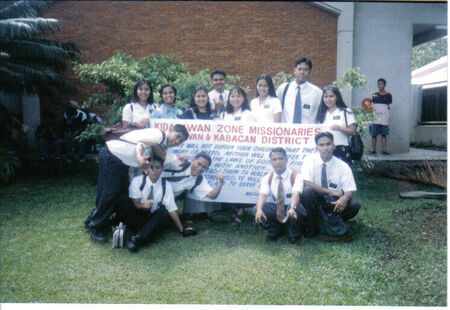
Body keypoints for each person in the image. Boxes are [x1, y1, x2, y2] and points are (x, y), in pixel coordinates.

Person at [84, 125, 189, 244]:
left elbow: (168, 159)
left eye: (180, 141)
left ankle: (91, 220)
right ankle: (95, 227)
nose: (177, 141)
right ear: (171, 130)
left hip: (121, 160)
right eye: (177, 136)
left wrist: (180, 157)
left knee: (120, 193)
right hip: (112, 155)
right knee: (109, 192)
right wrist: (139, 157)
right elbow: (140, 145)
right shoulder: (158, 135)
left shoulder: (163, 145)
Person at [116, 155, 196, 253]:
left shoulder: (166, 185)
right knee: (122, 200)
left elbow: (171, 208)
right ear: (147, 169)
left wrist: (182, 229)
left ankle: (136, 238)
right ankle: (141, 233)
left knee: (164, 211)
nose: (155, 170)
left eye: (158, 168)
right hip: (137, 214)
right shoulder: (138, 181)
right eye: (151, 167)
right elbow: (136, 204)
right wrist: (142, 205)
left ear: (162, 169)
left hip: (151, 218)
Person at [300, 132, 360, 241]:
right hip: (316, 200)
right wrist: (331, 192)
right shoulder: (309, 160)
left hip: (334, 203)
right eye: (321, 145)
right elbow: (307, 182)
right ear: (316, 148)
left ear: (334, 146)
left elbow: (350, 189)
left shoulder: (343, 166)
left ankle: (334, 222)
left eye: (328, 144)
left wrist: (344, 198)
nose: (325, 148)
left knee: (354, 205)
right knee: (307, 192)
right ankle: (312, 228)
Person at [218, 86, 255, 223]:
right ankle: (233, 207)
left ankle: (240, 210)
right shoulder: (224, 115)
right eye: (232, 96)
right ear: (229, 99)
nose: (235, 99)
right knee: (231, 181)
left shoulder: (249, 114)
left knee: (242, 180)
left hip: (244, 154)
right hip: (228, 154)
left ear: (244, 98)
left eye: (238, 96)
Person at [254, 148, 306, 244]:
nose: (278, 162)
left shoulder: (295, 176)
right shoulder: (267, 177)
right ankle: (274, 231)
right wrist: (259, 210)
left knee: (298, 209)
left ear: (286, 160)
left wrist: (292, 208)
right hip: (278, 208)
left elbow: (296, 194)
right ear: (271, 162)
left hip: (291, 207)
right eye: (274, 159)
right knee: (259, 208)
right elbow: (262, 195)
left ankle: (294, 234)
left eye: (281, 159)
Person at [162, 151, 224, 225]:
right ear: (193, 160)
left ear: (207, 169)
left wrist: (220, 182)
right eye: (199, 164)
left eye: (204, 167)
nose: (200, 168)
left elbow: (212, 195)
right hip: (154, 191)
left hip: (167, 202)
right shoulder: (182, 164)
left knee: (162, 216)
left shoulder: (199, 179)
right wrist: (176, 157)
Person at [315, 85, 356, 166]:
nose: (328, 99)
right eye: (326, 97)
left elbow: (353, 132)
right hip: (325, 149)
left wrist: (340, 128)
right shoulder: (321, 113)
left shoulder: (345, 112)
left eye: (331, 96)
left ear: (337, 97)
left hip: (341, 148)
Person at [276, 57, 322, 124]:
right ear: (294, 71)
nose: (302, 72)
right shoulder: (283, 89)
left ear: (309, 72)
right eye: (299, 69)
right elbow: (275, 109)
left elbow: (321, 115)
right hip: (287, 132)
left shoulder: (317, 93)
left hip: (308, 133)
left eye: (305, 70)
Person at [370, 78, 392, 155]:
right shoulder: (374, 95)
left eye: (381, 84)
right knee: (373, 135)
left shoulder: (389, 95)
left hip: (384, 119)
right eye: (378, 84)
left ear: (384, 85)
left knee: (384, 135)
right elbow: (372, 106)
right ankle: (373, 150)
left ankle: (384, 150)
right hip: (375, 119)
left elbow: (389, 106)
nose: (380, 86)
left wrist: (383, 112)